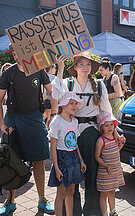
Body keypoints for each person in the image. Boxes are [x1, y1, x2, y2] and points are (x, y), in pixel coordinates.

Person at [52, 52, 121, 216]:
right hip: (70, 132)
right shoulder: (68, 84)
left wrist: (115, 132)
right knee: (71, 174)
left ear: (92, 68)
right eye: (81, 64)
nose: (85, 67)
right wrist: (60, 68)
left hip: (91, 132)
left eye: (88, 64)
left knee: (92, 174)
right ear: (75, 67)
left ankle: (93, 211)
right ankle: (72, 212)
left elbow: (106, 110)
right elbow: (55, 94)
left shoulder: (98, 84)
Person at [0, 44, 55, 216]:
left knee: (38, 159)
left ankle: (42, 199)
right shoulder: (8, 73)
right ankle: (10, 201)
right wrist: (1, 124)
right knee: (9, 159)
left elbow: (52, 91)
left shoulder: (39, 70)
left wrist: (52, 114)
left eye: (18, 50)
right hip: (13, 119)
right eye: (13, 52)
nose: (16, 55)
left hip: (34, 118)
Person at [48, 91, 86, 216]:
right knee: (61, 193)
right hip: (62, 159)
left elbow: (75, 143)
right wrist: (57, 168)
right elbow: (53, 146)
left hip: (74, 158)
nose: (74, 106)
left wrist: (80, 160)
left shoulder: (74, 121)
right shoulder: (56, 122)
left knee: (71, 191)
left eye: (76, 103)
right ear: (63, 105)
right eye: (71, 103)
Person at [95, 111, 126, 216]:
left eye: (111, 125)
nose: (109, 128)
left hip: (114, 171)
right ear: (101, 127)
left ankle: (113, 211)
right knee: (104, 194)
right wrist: (106, 165)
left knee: (112, 192)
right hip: (105, 172)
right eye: (106, 125)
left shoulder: (114, 138)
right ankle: (104, 213)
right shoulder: (101, 140)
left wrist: (121, 143)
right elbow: (97, 157)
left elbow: (116, 150)